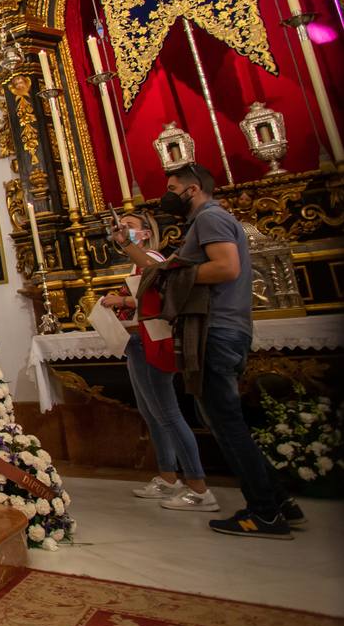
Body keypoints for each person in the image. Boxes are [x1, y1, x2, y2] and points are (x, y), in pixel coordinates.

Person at [151, 163, 303, 538]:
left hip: (216, 330)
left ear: (192, 189)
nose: (168, 194)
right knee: (225, 420)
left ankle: (264, 512)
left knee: (226, 423)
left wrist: (173, 273)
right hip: (221, 329)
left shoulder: (209, 218)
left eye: (173, 187)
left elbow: (226, 267)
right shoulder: (210, 219)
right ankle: (279, 500)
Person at [106, 210, 215, 511]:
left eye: (129, 227)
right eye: (120, 226)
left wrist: (123, 301)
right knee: (152, 413)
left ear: (144, 233)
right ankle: (168, 477)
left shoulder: (151, 257)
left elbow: (168, 292)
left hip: (150, 341)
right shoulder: (136, 263)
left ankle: (198, 487)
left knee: (167, 413)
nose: (122, 230)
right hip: (138, 341)